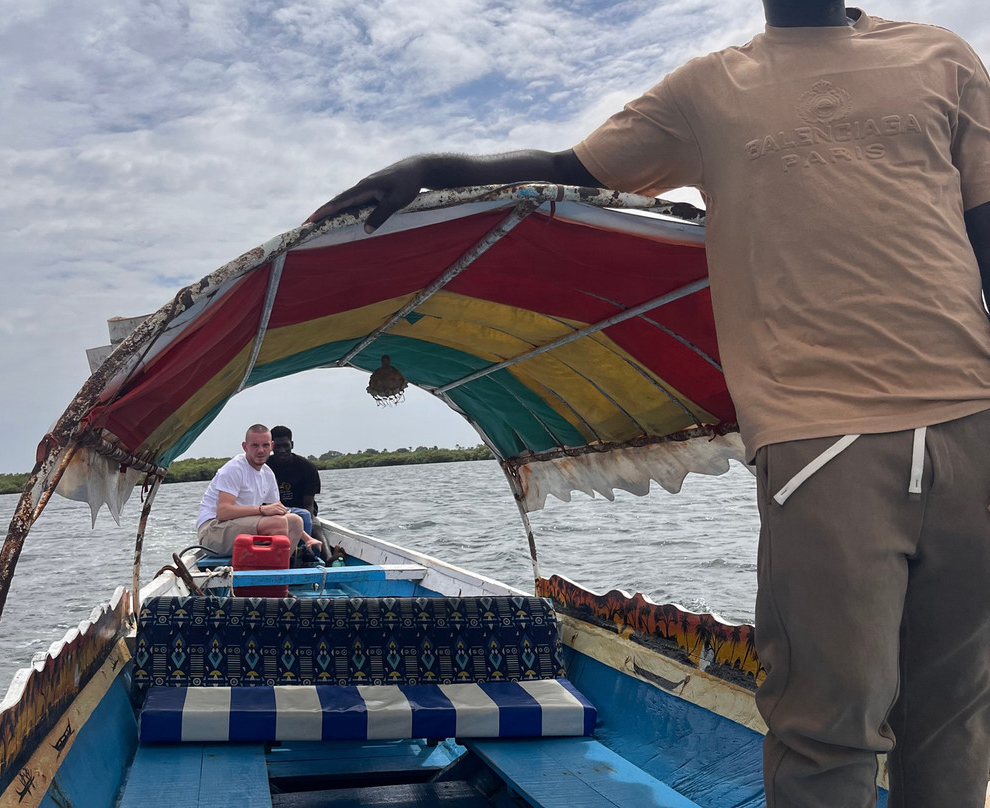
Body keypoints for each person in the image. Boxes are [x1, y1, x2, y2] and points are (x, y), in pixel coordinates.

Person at [308, 4, 990, 806]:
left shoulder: (941, 56)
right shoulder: (711, 90)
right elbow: (570, 165)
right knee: (827, 724)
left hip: (974, 423)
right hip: (821, 438)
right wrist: (432, 165)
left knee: (957, 725)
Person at [196, 424, 322, 558]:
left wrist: (308, 538)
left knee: (296, 521)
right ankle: (268, 569)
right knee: (278, 523)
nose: (261, 450)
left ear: (271, 446)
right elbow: (222, 512)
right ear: (245, 447)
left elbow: (280, 511)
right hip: (213, 532)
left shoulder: (267, 473)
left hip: (237, 526)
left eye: (265, 445)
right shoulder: (234, 469)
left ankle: (279, 569)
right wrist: (261, 509)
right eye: (255, 445)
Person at [265, 425, 330, 560]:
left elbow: (308, 505)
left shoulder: (307, 468)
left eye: (285, 445)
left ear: (292, 445)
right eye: (277, 446)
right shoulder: (265, 467)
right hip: (273, 510)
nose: (282, 450)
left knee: (314, 524)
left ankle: (328, 559)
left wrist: (306, 521)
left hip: (303, 509)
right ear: (271, 447)